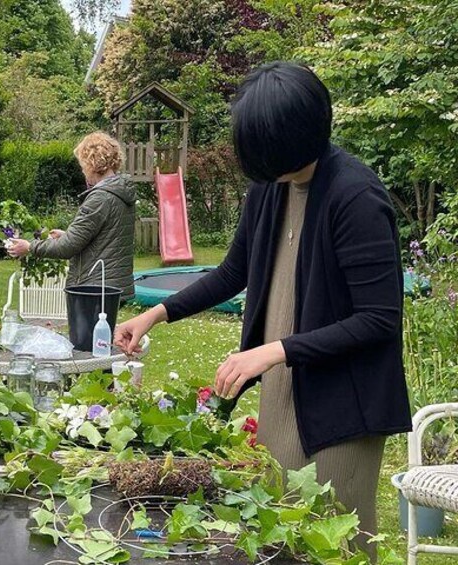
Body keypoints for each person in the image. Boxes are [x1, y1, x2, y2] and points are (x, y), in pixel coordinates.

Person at [114, 62, 411, 556]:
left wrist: (271, 351)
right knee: (280, 538)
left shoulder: (355, 196)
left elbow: (379, 319)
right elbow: (233, 272)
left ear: (291, 136)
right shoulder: (270, 188)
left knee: (334, 544)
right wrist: (154, 314)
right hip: (284, 393)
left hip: (344, 407)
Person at [7, 131, 137, 301]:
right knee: (106, 329)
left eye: (83, 166)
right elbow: (104, 238)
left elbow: (67, 247)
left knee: (87, 329)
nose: (83, 172)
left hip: (94, 288)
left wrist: (30, 247)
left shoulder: (100, 198)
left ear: (92, 163)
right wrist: (68, 235)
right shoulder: (120, 192)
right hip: (113, 285)